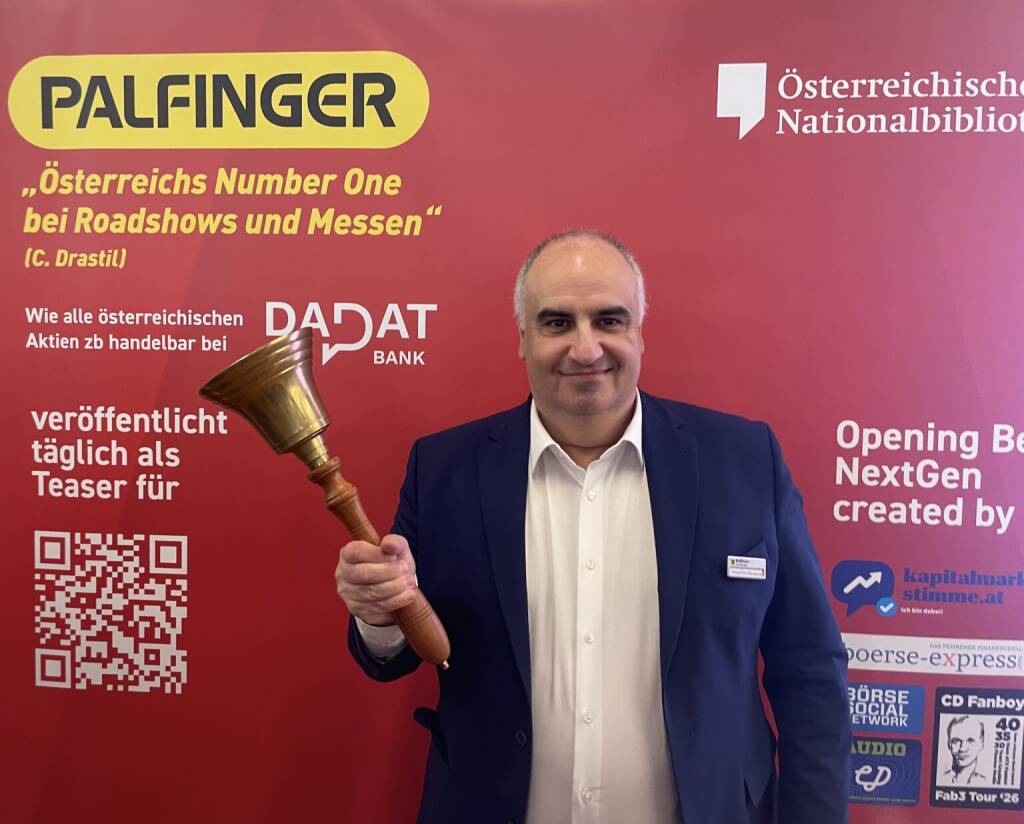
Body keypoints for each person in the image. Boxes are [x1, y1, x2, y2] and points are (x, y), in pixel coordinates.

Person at [335, 229, 851, 824]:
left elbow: (809, 670)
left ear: (639, 332)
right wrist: (379, 614)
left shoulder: (745, 461)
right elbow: (393, 657)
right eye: (557, 323)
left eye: (609, 320)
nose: (585, 349)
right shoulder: (444, 469)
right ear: (523, 339)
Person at [941, 716, 987, 786]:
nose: (962, 748)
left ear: (981, 743)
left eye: (970, 741)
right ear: (949, 744)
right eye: (956, 741)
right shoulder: (941, 778)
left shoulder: (984, 782)